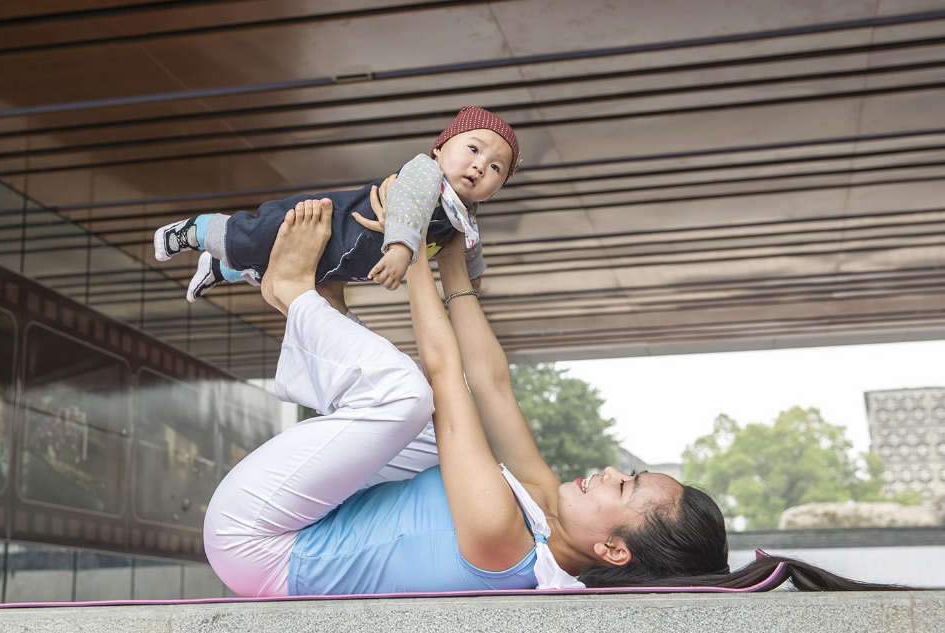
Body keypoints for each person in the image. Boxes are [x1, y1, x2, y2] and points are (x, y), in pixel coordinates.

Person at [203, 189, 911, 596]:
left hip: (260, 541)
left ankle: (293, 293)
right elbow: (493, 384)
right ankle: (325, 309)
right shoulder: (543, 511)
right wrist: (453, 266)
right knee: (422, 427)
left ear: (611, 551)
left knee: (413, 401)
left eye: (624, 486)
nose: (609, 468)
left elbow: (452, 383)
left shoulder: (507, 545)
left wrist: (410, 236)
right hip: (320, 517)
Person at [153, 105, 517, 308]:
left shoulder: (463, 218)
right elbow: (407, 204)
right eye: (473, 149)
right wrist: (401, 249)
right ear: (440, 148)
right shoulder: (425, 172)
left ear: (494, 190)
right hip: (329, 224)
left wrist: (474, 275)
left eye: (495, 168)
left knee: (285, 272)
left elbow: (471, 247)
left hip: (342, 261)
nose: (480, 165)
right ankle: (197, 230)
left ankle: (221, 267)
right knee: (259, 239)